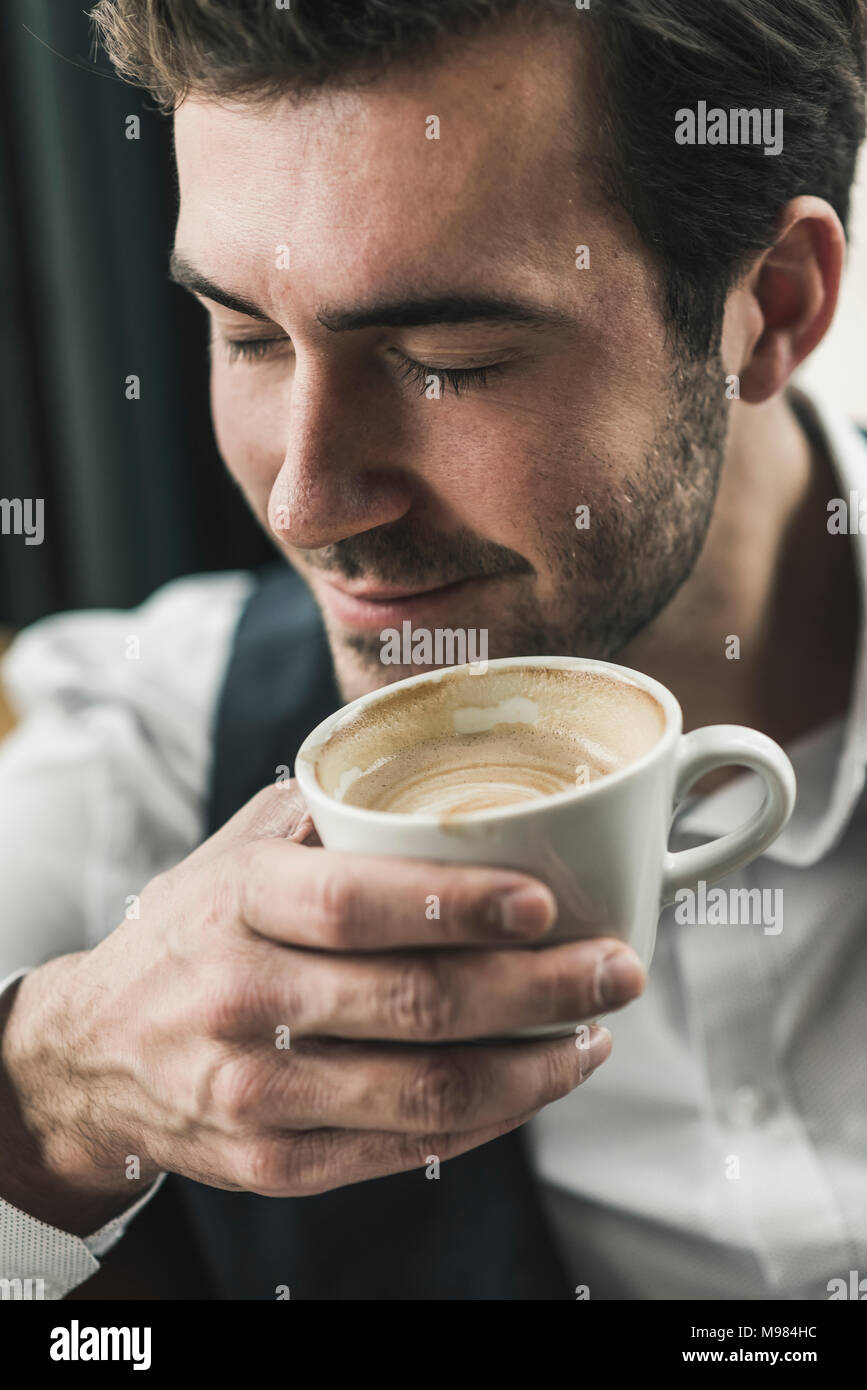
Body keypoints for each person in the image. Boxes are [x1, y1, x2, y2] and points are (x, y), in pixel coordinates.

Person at [1, 0, 865, 1301]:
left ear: (776, 304)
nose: (302, 502)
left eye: (445, 358)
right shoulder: (135, 760)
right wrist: (48, 1096)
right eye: (245, 336)